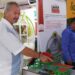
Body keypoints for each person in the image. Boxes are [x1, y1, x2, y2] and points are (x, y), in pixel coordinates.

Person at [0, 2, 53, 75]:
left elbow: (19, 48)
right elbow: (22, 50)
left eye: (19, 14)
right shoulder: (4, 30)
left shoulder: (10, 28)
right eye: (15, 13)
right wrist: (39, 56)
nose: (17, 16)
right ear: (6, 12)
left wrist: (33, 56)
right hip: (7, 72)